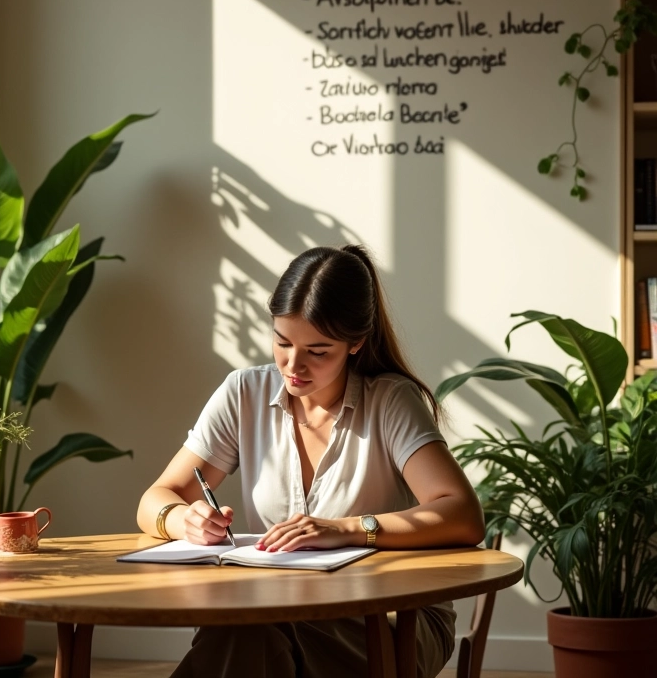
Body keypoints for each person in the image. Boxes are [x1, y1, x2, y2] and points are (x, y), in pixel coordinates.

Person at [137, 244, 485, 678]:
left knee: (245, 629)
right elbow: (154, 499)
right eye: (282, 342)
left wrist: (345, 530)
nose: (294, 365)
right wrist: (184, 520)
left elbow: (464, 515)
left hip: (393, 618)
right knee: (248, 630)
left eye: (318, 351)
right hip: (282, 607)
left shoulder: (391, 401)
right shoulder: (243, 393)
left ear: (355, 343)